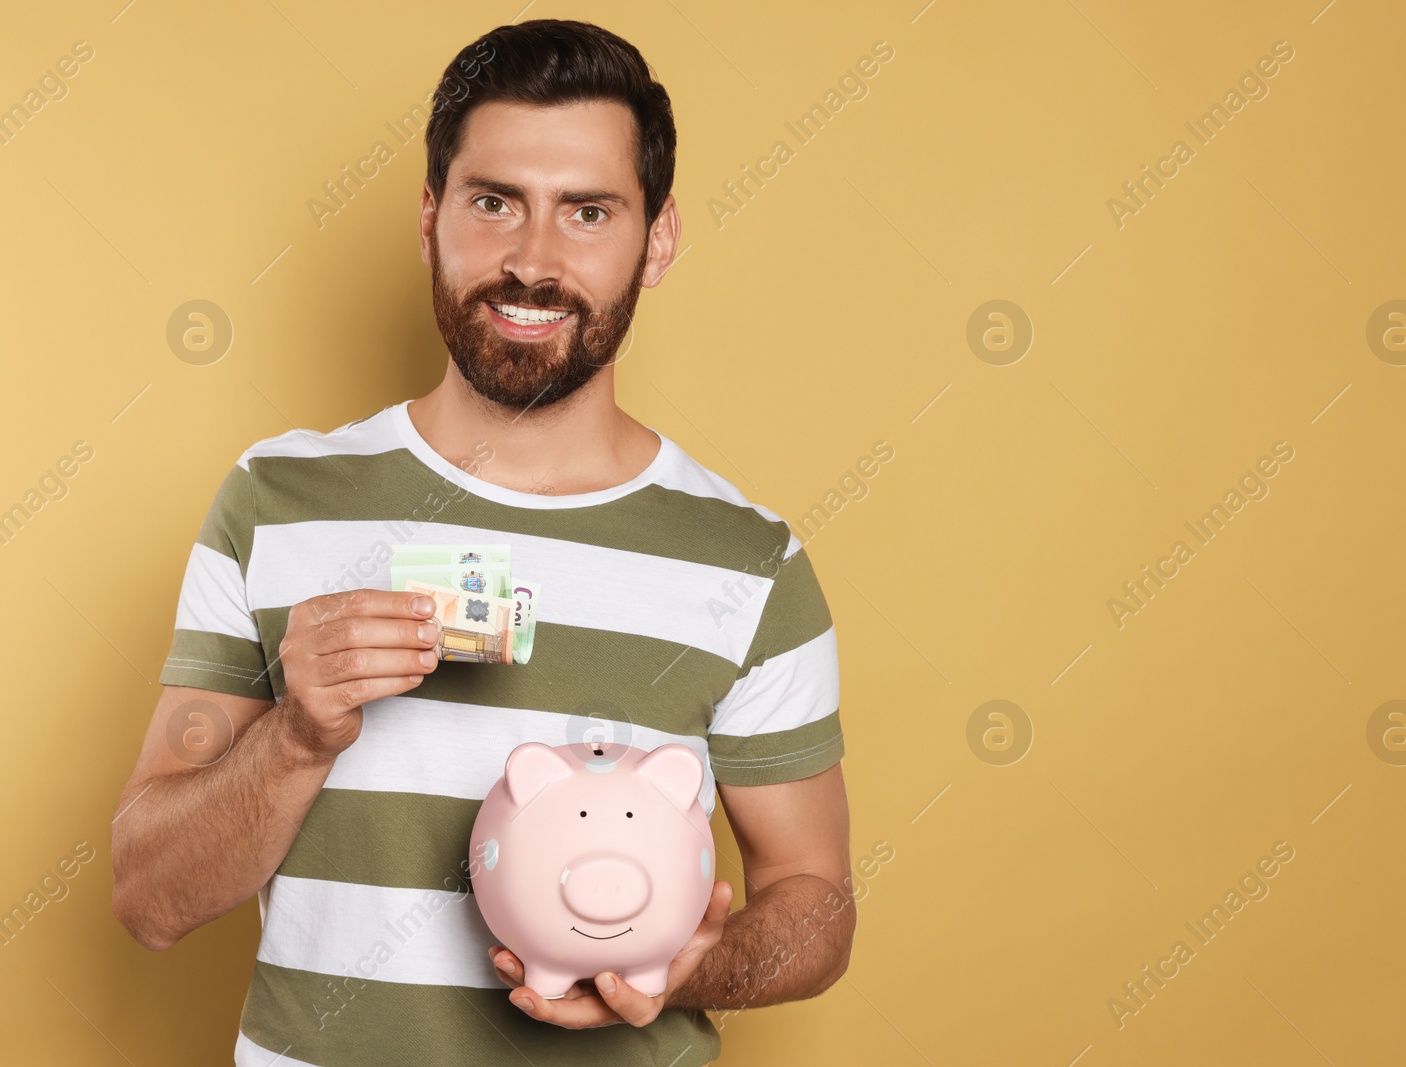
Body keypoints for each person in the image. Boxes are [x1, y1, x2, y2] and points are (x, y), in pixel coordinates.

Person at [110, 19, 853, 1066]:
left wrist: (686, 968)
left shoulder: (750, 561)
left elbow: (815, 906)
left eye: (587, 211)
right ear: (430, 217)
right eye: (493, 201)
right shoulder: (275, 501)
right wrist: (297, 734)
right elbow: (148, 896)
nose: (532, 261)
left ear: (660, 238)